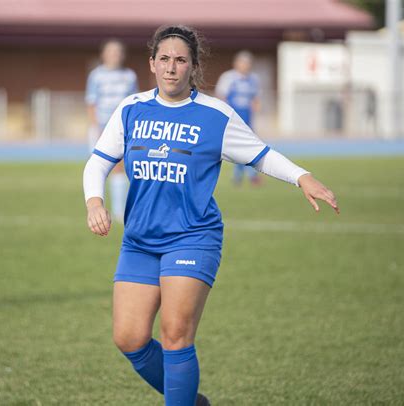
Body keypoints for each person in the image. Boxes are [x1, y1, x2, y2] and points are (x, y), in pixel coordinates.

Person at [83, 25, 339, 406]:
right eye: (164, 59)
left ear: (193, 66)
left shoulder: (215, 115)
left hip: (191, 237)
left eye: (181, 60)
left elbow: (261, 154)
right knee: (129, 338)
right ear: (152, 63)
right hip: (139, 240)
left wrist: (301, 176)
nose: (171, 68)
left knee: (175, 334)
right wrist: (94, 202)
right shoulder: (131, 108)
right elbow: (98, 163)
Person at [85, 38, 138, 222]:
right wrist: (97, 127)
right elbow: (91, 102)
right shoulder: (96, 76)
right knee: (98, 166)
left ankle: (118, 210)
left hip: (122, 128)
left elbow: (134, 104)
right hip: (101, 127)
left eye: (118, 52)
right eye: (111, 51)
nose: (115, 55)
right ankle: (98, 209)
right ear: (103, 54)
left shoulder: (130, 76)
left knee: (119, 168)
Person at [215, 50, 262, 185]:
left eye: (248, 63)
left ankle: (242, 175)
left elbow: (256, 98)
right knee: (239, 147)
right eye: (243, 62)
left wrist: (256, 109)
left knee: (249, 146)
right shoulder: (228, 77)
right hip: (233, 118)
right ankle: (247, 175)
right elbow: (221, 96)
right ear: (236, 63)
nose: (245, 65)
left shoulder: (253, 79)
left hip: (248, 118)